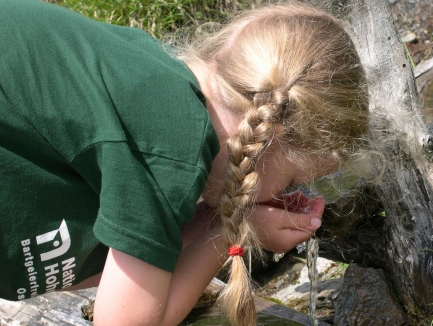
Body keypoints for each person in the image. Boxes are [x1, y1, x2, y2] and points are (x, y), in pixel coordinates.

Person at [0, 0, 368, 325]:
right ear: (272, 135)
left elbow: (126, 266)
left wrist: (218, 220)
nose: (289, 193)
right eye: (292, 181)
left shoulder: (150, 91)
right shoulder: (172, 147)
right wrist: (227, 234)